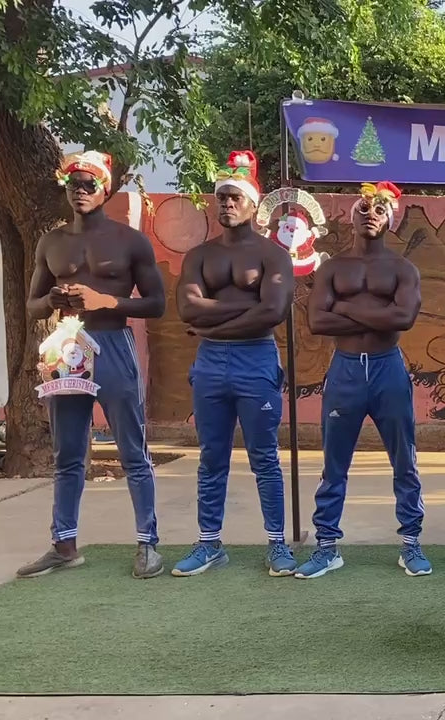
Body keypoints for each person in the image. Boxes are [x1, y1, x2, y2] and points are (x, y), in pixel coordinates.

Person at [17, 150, 166, 580]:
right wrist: (51, 300)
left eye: (89, 185)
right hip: (68, 347)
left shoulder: (130, 241)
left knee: (132, 449)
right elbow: (31, 305)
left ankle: (148, 543)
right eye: (73, 184)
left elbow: (157, 303)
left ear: (106, 189)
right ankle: (63, 545)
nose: (80, 191)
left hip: (113, 343)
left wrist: (108, 301)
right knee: (67, 451)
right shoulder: (52, 242)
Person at [171, 151, 296, 578]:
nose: (226, 203)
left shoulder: (272, 255)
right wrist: (243, 308)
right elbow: (187, 308)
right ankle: (209, 543)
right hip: (210, 361)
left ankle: (277, 543)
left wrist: (213, 321)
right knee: (212, 456)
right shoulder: (199, 256)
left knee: (264, 456)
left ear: (253, 204)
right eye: (221, 197)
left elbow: (272, 311)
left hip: (255, 357)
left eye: (235, 197)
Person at [295, 181, 429, 579]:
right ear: (352, 216)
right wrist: (377, 314)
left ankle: (411, 543)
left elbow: (403, 318)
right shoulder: (332, 268)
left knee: (404, 459)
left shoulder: (402, 269)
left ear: (390, 219)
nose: (371, 214)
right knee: (334, 462)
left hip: (388, 368)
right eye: (364, 208)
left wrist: (345, 308)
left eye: (380, 209)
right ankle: (326, 546)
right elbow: (317, 320)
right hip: (346, 369)